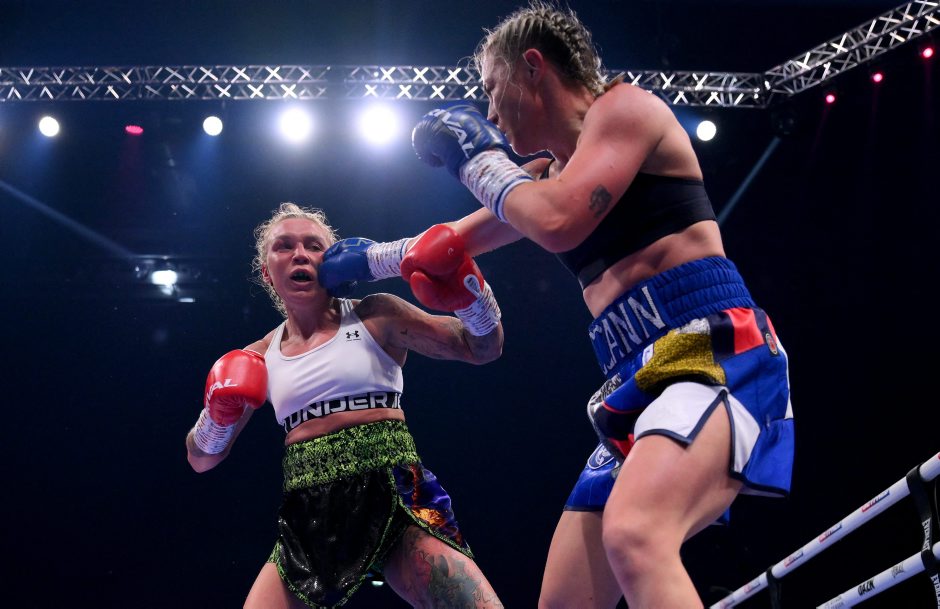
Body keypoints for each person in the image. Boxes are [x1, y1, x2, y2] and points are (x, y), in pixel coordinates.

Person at [317, 2, 794, 608]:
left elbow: (559, 220)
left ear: (532, 67)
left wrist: (476, 155)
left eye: (492, 88)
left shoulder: (626, 109)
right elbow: (449, 242)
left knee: (637, 534)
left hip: (712, 347)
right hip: (636, 372)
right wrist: (366, 261)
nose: (490, 111)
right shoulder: (550, 174)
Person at [184, 202, 506, 609]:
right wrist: (215, 418)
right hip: (309, 511)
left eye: (313, 245)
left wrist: (471, 296)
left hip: (395, 491)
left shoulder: (375, 315)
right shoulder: (258, 357)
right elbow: (201, 460)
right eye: (284, 246)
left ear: (333, 260)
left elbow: (481, 348)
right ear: (267, 271)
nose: (300, 254)